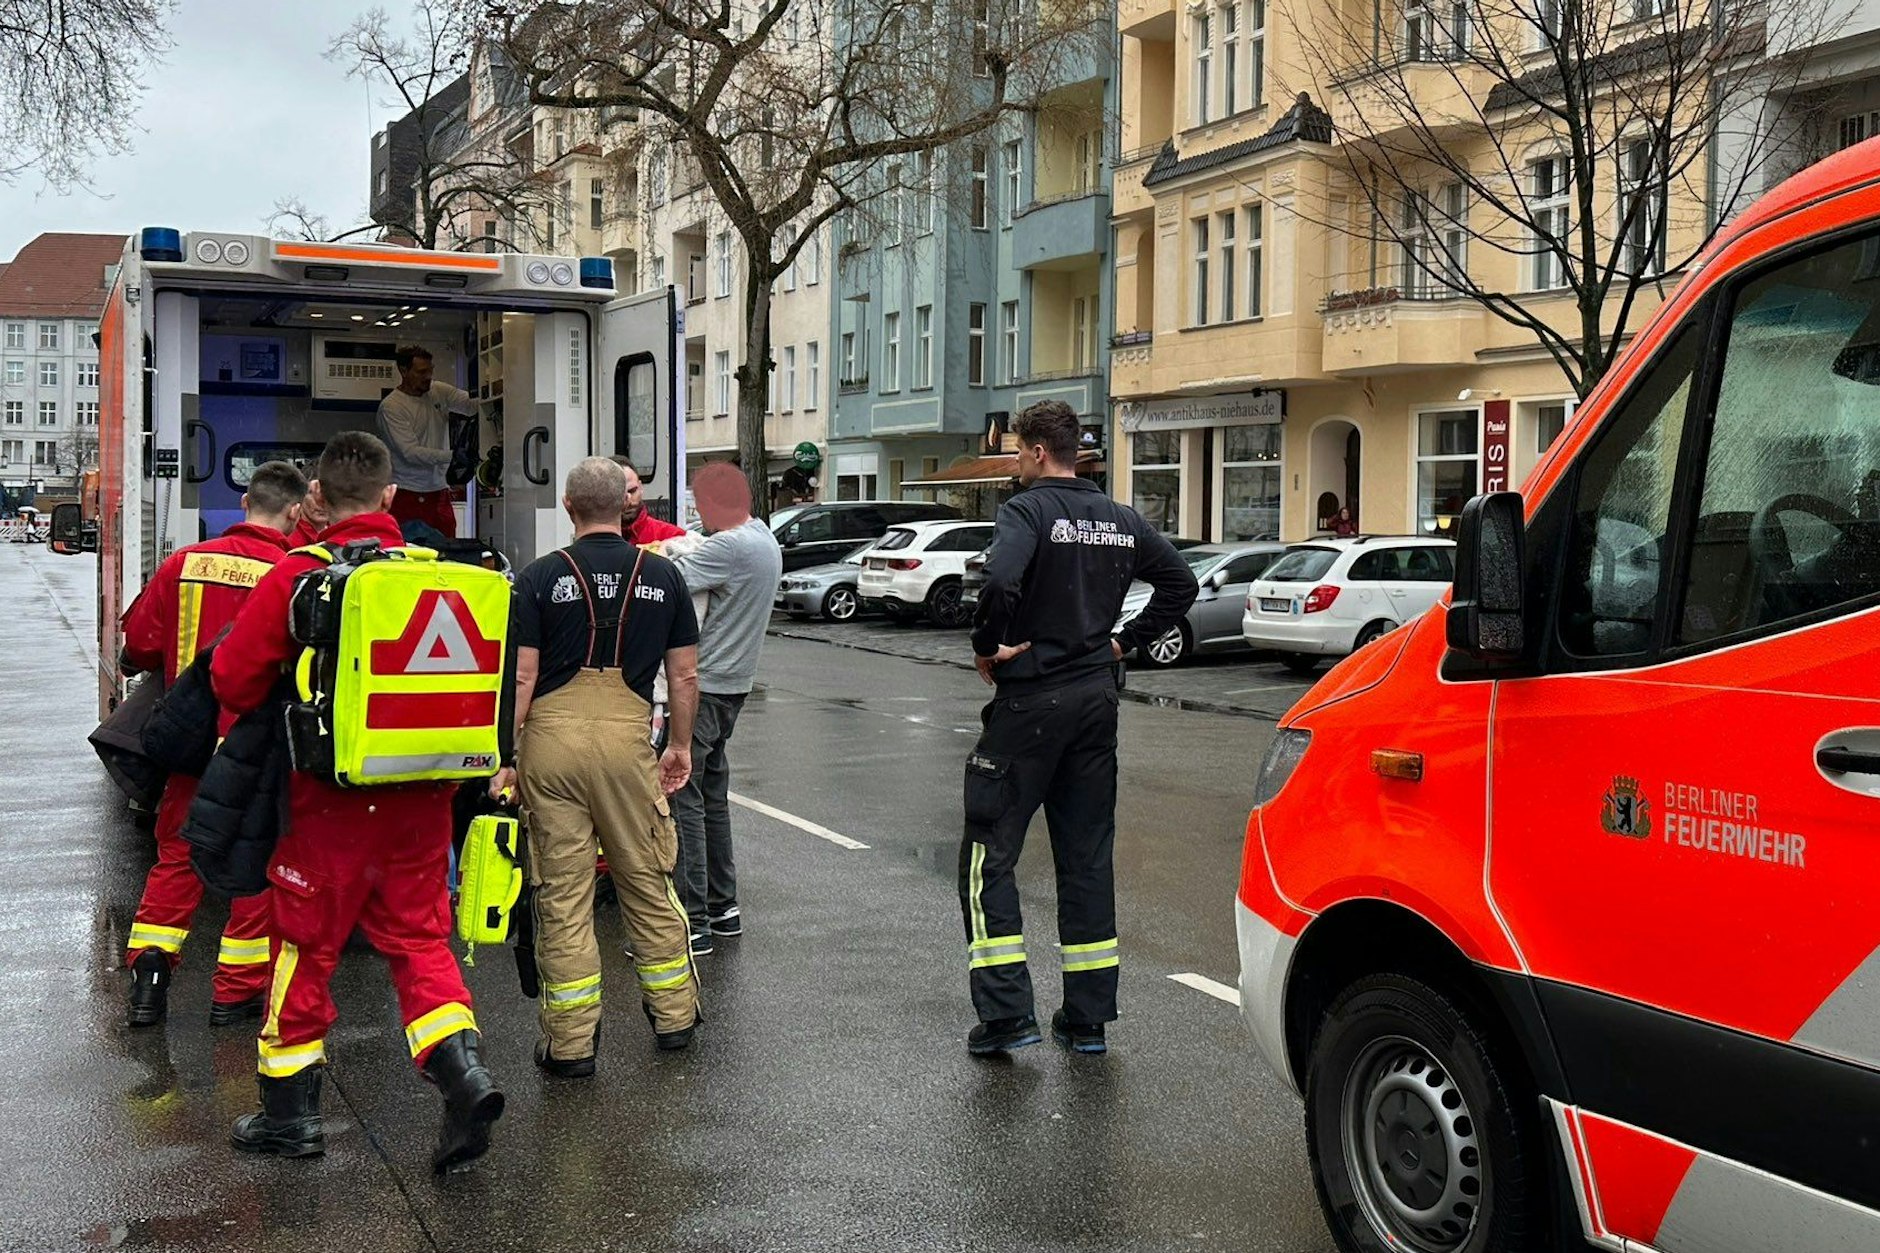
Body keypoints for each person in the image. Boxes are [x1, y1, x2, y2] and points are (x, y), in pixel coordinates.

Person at [211, 431, 503, 1171]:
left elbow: (233, 680)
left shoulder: (300, 573)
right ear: (391, 496)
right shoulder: (437, 574)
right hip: (424, 797)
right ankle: (464, 1074)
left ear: (316, 496)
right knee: (420, 942)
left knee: (304, 946)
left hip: (327, 805)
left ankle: (289, 1116)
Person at [961, 400, 1198, 1057]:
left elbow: (1000, 579)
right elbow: (1180, 584)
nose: (1015, 462)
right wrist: (1125, 642)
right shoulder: (1121, 519)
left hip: (1031, 702)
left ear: (1039, 452)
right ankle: (1087, 1019)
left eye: (1018, 451)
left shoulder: (1026, 511)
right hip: (1096, 701)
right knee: (1087, 857)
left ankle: (1007, 1014)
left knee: (987, 854)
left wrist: (987, 643)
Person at [489, 457, 702, 1076]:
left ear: (569, 506)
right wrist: (679, 746)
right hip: (626, 743)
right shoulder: (663, 576)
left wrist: (506, 758)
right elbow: (685, 675)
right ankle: (675, 1017)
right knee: (647, 878)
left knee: (562, 892)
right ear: (627, 506)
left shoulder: (537, 578)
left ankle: (570, 1044)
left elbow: (522, 678)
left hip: (550, 747)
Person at [121, 461, 308, 1029]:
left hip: (192, 744)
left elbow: (141, 645)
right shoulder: (297, 574)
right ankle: (235, 993)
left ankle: (150, 974)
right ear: (295, 512)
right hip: (257, 752)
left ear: (245, 502)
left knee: (178, 859)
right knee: (254, 864)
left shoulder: (184, 563)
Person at [668, 462, 783, 954]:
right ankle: (723, 907)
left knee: (682, 795)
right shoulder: (763, 539)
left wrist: (666, 549)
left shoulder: (728, 547)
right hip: (735, 686)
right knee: (712, 795)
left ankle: (691, 921)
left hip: (705, 687)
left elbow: (669, 580)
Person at [376, 345, 477, 538]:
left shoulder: (438, 391)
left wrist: (497, 389)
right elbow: (410, 453)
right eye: (421, 372)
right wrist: (453, 456)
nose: (428, 377)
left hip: (438, 489)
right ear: (403, 371)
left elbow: (472, 406)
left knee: (447, 547)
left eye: (430, 371)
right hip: (406, 491)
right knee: (407, 549)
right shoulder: (392, 407)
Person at [611, 455, 687, 546]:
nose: (628, 500)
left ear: (641, 487)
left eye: (632, 491)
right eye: (619, 494)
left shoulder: (673, 537)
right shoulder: (596, 540)